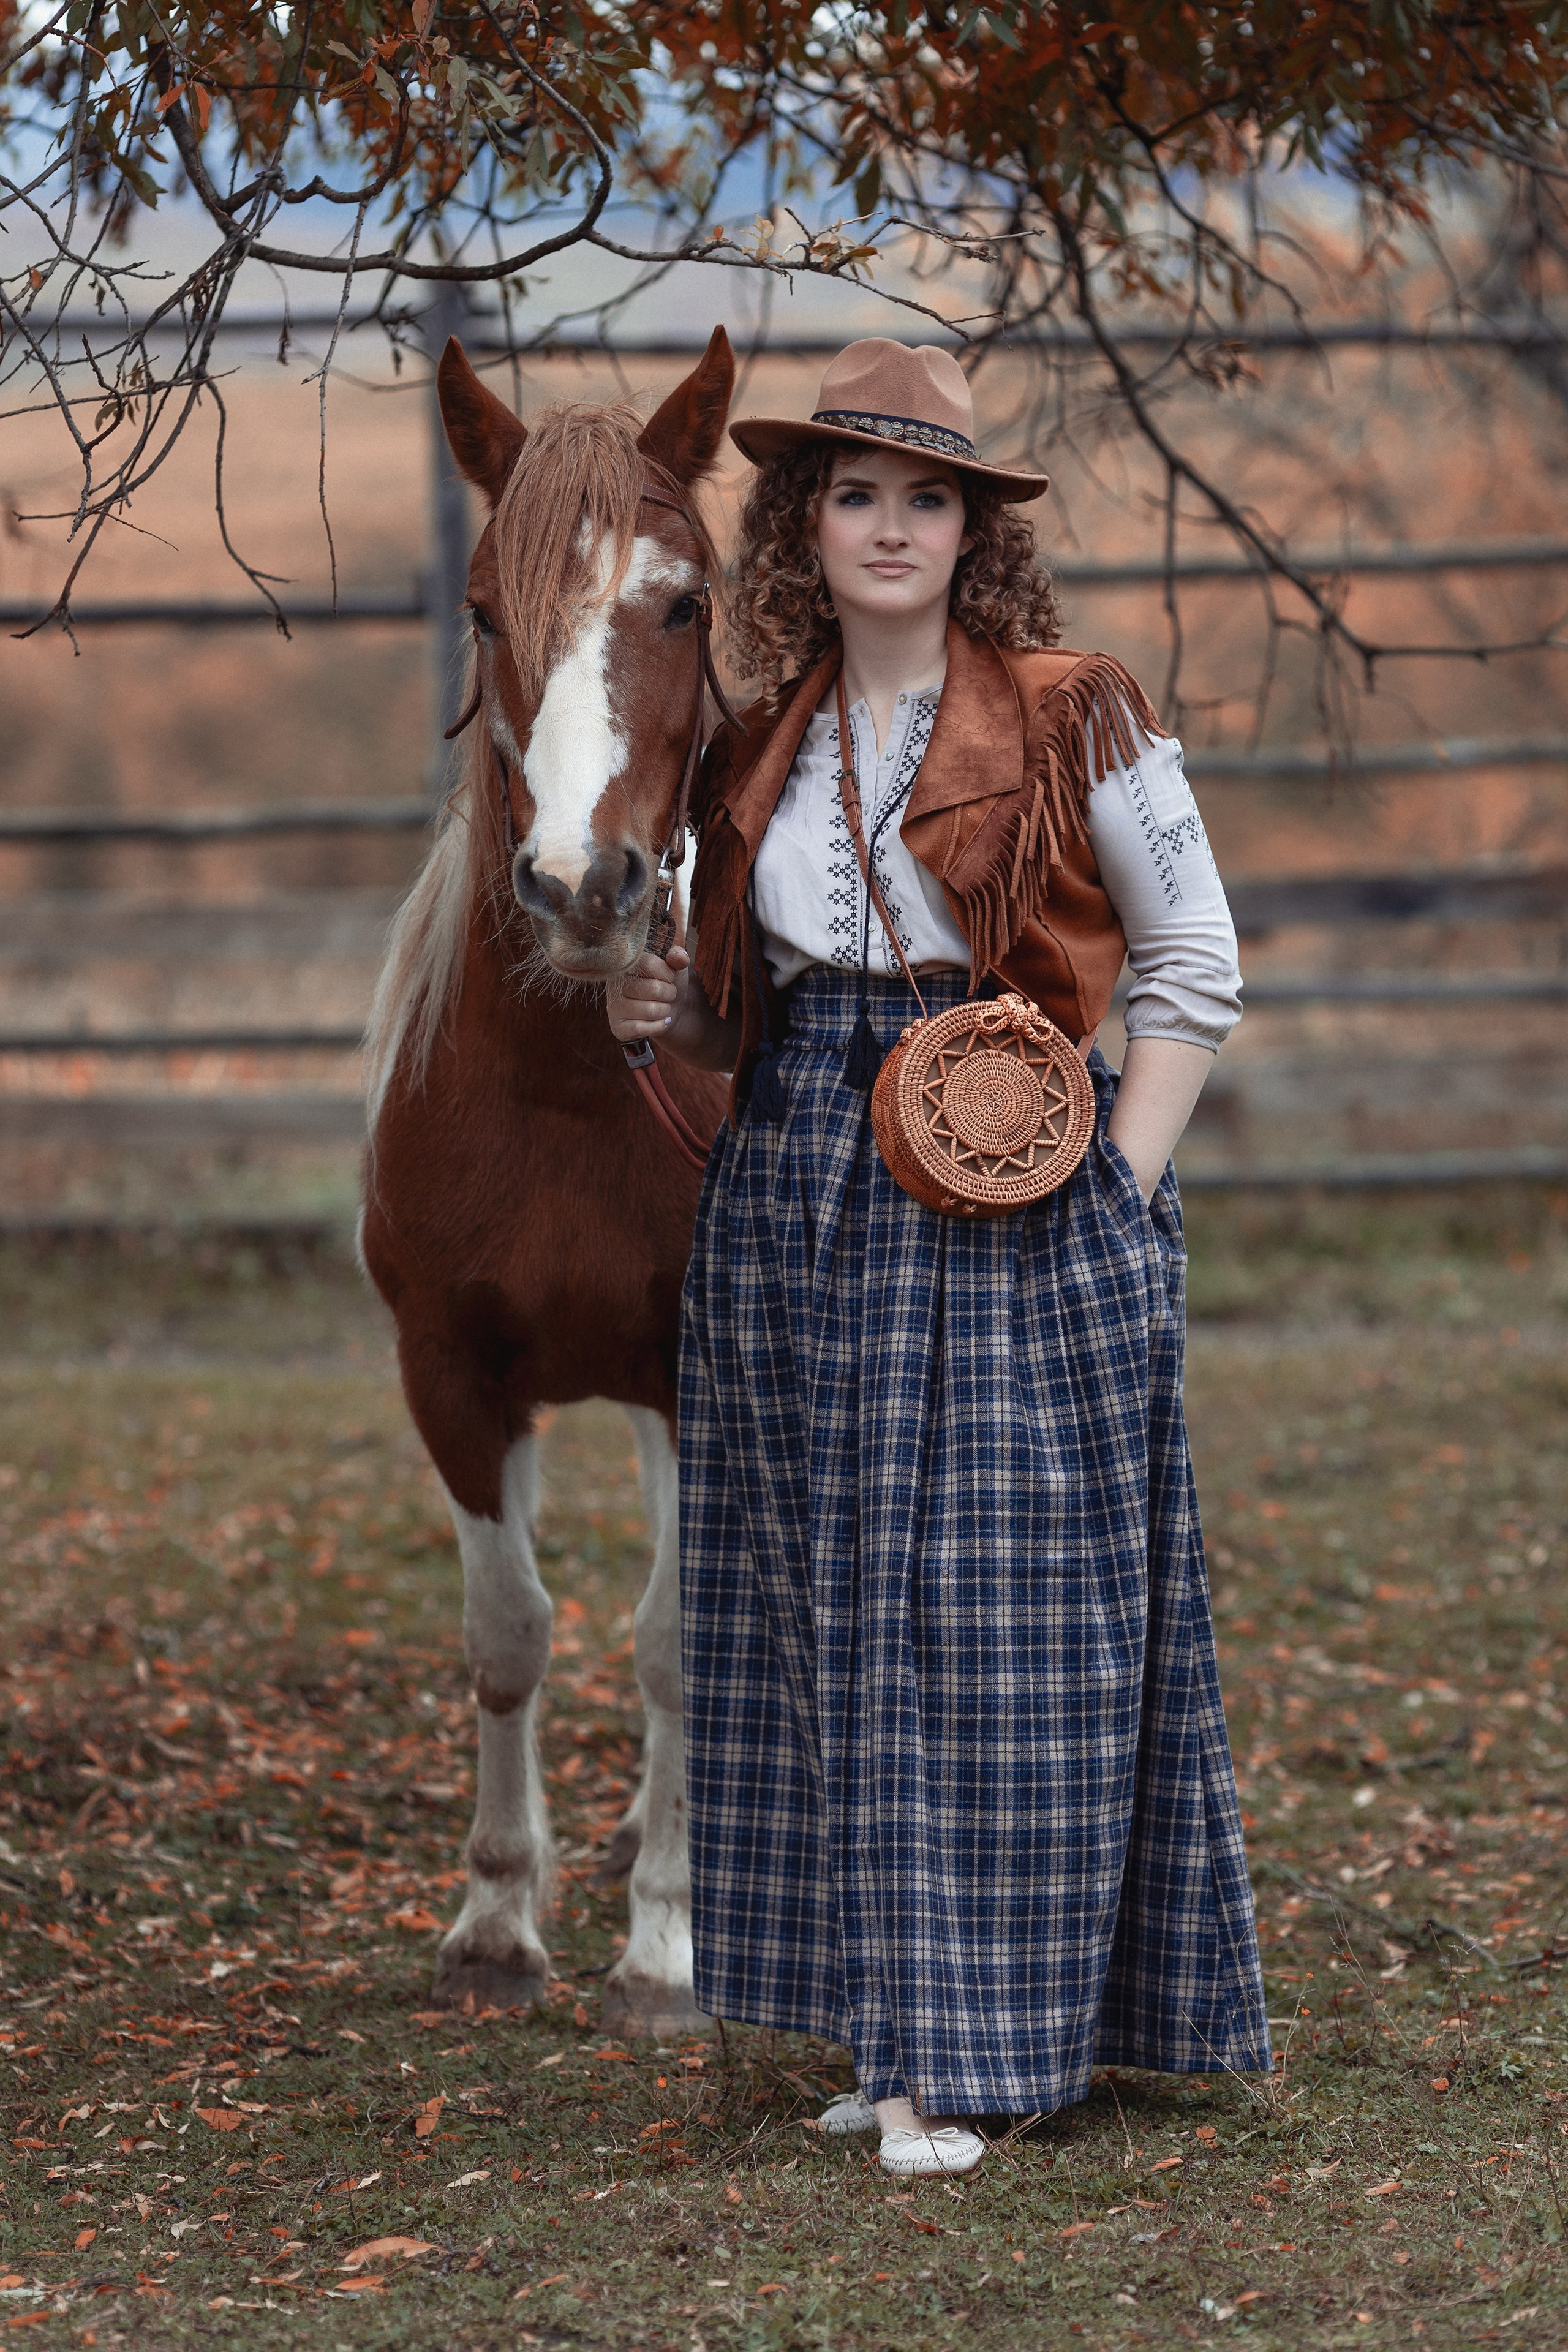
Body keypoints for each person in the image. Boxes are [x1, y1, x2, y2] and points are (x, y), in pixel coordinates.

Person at [606, 338, 1270, 2179]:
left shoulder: (1078, 711)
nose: (889, 526)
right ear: (801, 526)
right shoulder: (760, 748)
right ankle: (896, 2026)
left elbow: (1195, 963)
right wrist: (660, 1005)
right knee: (819, 1617)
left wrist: (1121, 1193)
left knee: (1002, 1628)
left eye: (926, 496)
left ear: (972, 531)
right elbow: (727, 1023)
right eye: (854, 493)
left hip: (1012, 1180)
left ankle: (986, 2048)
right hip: (798, 1190)